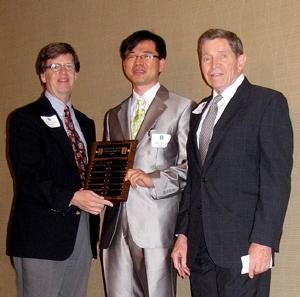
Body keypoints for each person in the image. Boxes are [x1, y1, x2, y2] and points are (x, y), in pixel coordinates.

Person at [171, 28, 293, 297]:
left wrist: (264, 241)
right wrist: (183, 235)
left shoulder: (267, 103)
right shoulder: (198, 112)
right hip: (200, 248)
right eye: (206, 58)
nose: (213, 65)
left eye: (222, 56)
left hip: (244, 246)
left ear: (240, 60)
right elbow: (194, 181)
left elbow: (276, 180)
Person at [7, 42, 113, 297]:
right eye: (54, 66)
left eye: (68, 66)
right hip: (41, 238)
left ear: (76, 73)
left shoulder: (85, 123)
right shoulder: (25, 119)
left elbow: (88, 173)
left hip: (81, 233)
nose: (63, 73)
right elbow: (29, 178)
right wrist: (73, 197)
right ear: (43, 75)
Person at [99, 30, 195, 297]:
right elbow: (108, 168)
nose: (138, 61)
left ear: (161, 63)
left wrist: (153, 178)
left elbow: (191, 168)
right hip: (115, 227)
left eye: (147, 55)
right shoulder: (113, 115)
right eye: (131, 56)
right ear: (124, 63)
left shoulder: (182, 107)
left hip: (157, 227)